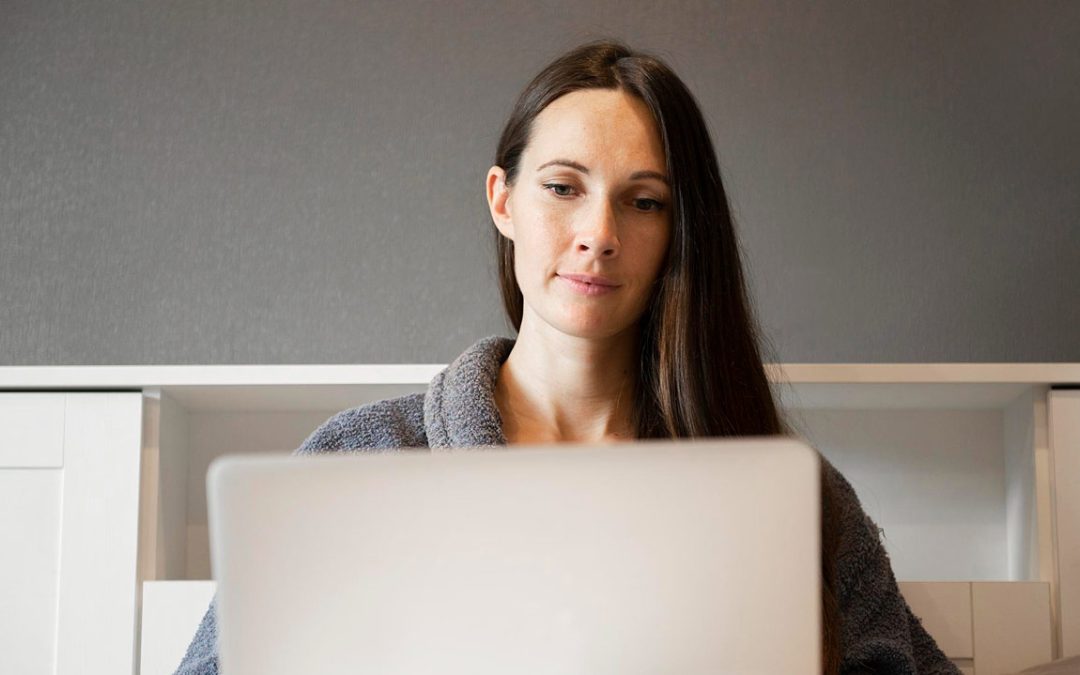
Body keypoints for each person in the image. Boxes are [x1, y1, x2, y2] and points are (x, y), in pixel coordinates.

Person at [175, 39, 960, 675]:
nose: (599, 234)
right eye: (562, 187)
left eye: (643, 201)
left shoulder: (792, 497)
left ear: (680, 232)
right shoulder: (359, 462)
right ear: (503, 200)